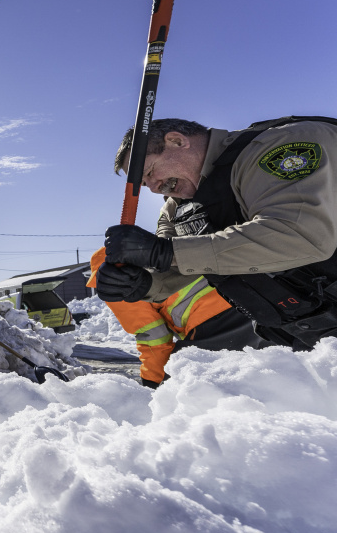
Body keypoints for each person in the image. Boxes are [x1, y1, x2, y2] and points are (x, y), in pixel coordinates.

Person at [97, 116, 337, 350]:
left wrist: (165, 252)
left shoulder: (280, 146)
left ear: (177, 141)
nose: (153, 188)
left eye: (149, 172)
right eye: (143, 184)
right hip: (308, 334)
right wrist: (142, 283)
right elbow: (179, 261)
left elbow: (300, 236)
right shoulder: (178, 207)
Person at [87, 246, 260, 387]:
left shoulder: (117, 286)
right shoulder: (164, 256)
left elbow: (154, 338)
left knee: (184, 387)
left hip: (214, 323)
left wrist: (153, 382)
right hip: (255, 300)